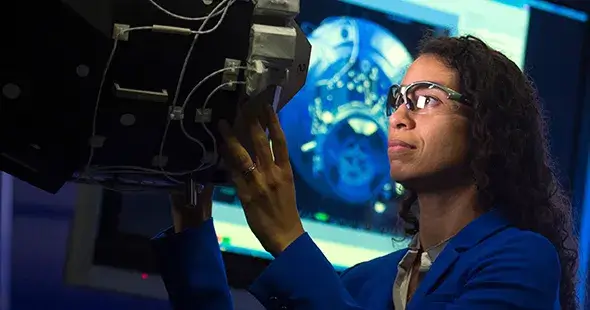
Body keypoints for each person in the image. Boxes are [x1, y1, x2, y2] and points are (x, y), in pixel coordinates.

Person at [151, 35, 579, 310]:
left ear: (489, 128)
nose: (397, 117)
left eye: (426, 99)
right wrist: (193, 224)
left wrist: (287, 237)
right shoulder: (363, 282)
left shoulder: (522, 260)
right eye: (398, 98)